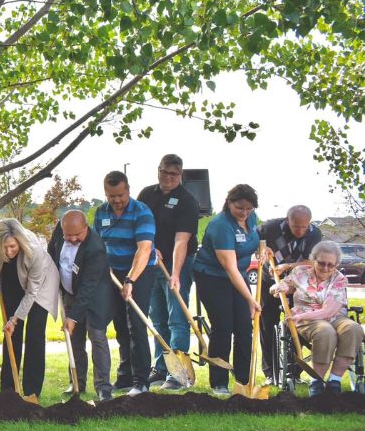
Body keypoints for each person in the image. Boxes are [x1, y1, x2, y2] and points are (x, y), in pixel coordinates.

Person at [137, 154, 200, 390]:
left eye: (173, 174)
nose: (168, 177)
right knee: (157, 318)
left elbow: (181, 241)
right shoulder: (146, 194)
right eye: (164, 172)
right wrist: (150, 249)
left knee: (177, 318)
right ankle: (161, 367)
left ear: (180, 175)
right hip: (151, 263)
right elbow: (140, 226)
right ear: (158, 170)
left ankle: (179, 372)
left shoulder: (187, 201)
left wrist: (175, 273)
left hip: (179, 264)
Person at [270, 240, 365, 396]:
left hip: (330, 316)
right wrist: (279, 287)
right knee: (325, 331)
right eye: (321, 263)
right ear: (313, 260)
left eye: (331, 265)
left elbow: (329, 311)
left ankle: (335, 380)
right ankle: (317, 381)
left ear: (337, 264)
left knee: (353, 328)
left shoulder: (339, 279)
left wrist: (300, 316)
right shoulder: (300, 272)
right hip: (307, 322)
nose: (326, 268)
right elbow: (284, 285)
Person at [193, 184, 261, 395]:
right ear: (229, 202)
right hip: (212, 277)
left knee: (244, 327)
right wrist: (250, 299)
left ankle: (243, 380)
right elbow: (230, 268)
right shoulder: (221, 226)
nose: (244, 212)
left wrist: (263, 248)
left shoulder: (251, 217)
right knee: (223, 326)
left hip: (237, 276)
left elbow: (253, 240)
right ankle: (219, 383)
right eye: (240, 208)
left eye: (249, 208)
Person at [93, 171, 157, 396]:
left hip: (140, 272)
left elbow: (144, 249)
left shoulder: (142, 212)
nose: (116, 200)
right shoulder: (101, 212)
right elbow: (98, 243)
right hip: (112, 273)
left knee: (136, 324)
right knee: (120, 324)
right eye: (111, 196)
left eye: (120, 195)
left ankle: (142, 381)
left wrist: (130, 280)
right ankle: (126, 375)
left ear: (128, 190)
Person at [0, 218, 60, 399]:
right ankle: (8, 390)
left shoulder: (33, 250)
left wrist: (16, 318)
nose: (8, 251)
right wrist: (11, 321)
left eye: (12, 246)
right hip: (13, 279)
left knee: (35, 333)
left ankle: (32, 391)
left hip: (41, 286)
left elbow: (32, 291)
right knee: (11, 334)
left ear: (19, 241)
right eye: (4, 248)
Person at [48, 210, 114, 401]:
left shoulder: (95, 248)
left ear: (86, 227)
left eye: (77, 235)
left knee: (97, 337)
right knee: (74, 340)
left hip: (95, 297)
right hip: (69, 292)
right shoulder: (60, 232)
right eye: (68, 235)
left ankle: (103, 387)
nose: (72, 238)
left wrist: (73, 317)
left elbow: (88, 287)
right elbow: (51, 254)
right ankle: (77, 382)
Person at [258, 205, 322, 385]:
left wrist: (287, 266)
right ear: (288, 220)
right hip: (270, 282)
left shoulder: (314, 234)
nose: (301, 231)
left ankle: (294, 372)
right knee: (267, 324)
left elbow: (312, 261)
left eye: (304, 226)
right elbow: (251, 239)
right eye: (296, 226)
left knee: (296, 323)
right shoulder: (269, 227)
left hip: (298, 283)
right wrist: (262, 247)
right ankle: (271, 373)